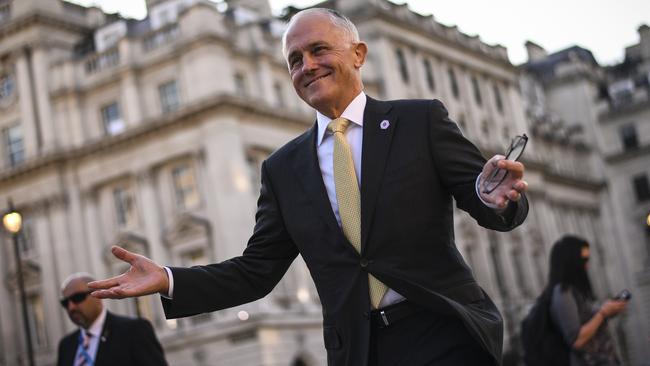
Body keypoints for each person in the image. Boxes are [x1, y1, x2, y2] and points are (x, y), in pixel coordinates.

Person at [89, 8, 529, 366]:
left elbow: (486, 197)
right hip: (359, 349)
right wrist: (168, 278)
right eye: (295, 60)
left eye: (319, 50)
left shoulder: (419, 121)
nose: (307, 66)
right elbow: (255, 272)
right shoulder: (283, 168)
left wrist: (501, 201)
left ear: (358, 54)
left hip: (442, 330)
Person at [56, 272, 168, 366]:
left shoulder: (134, 331)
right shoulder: (66, 345)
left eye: (77, 298)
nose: (71, 307)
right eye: (65, 303)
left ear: (97, 295)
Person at [548, 235, 627, 366]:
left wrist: (608, 311)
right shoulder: (563, 293)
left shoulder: (577, 289)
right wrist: (603, 313)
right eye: (584, 259)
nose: (587, 264)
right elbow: (577, 340)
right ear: (571, 260)